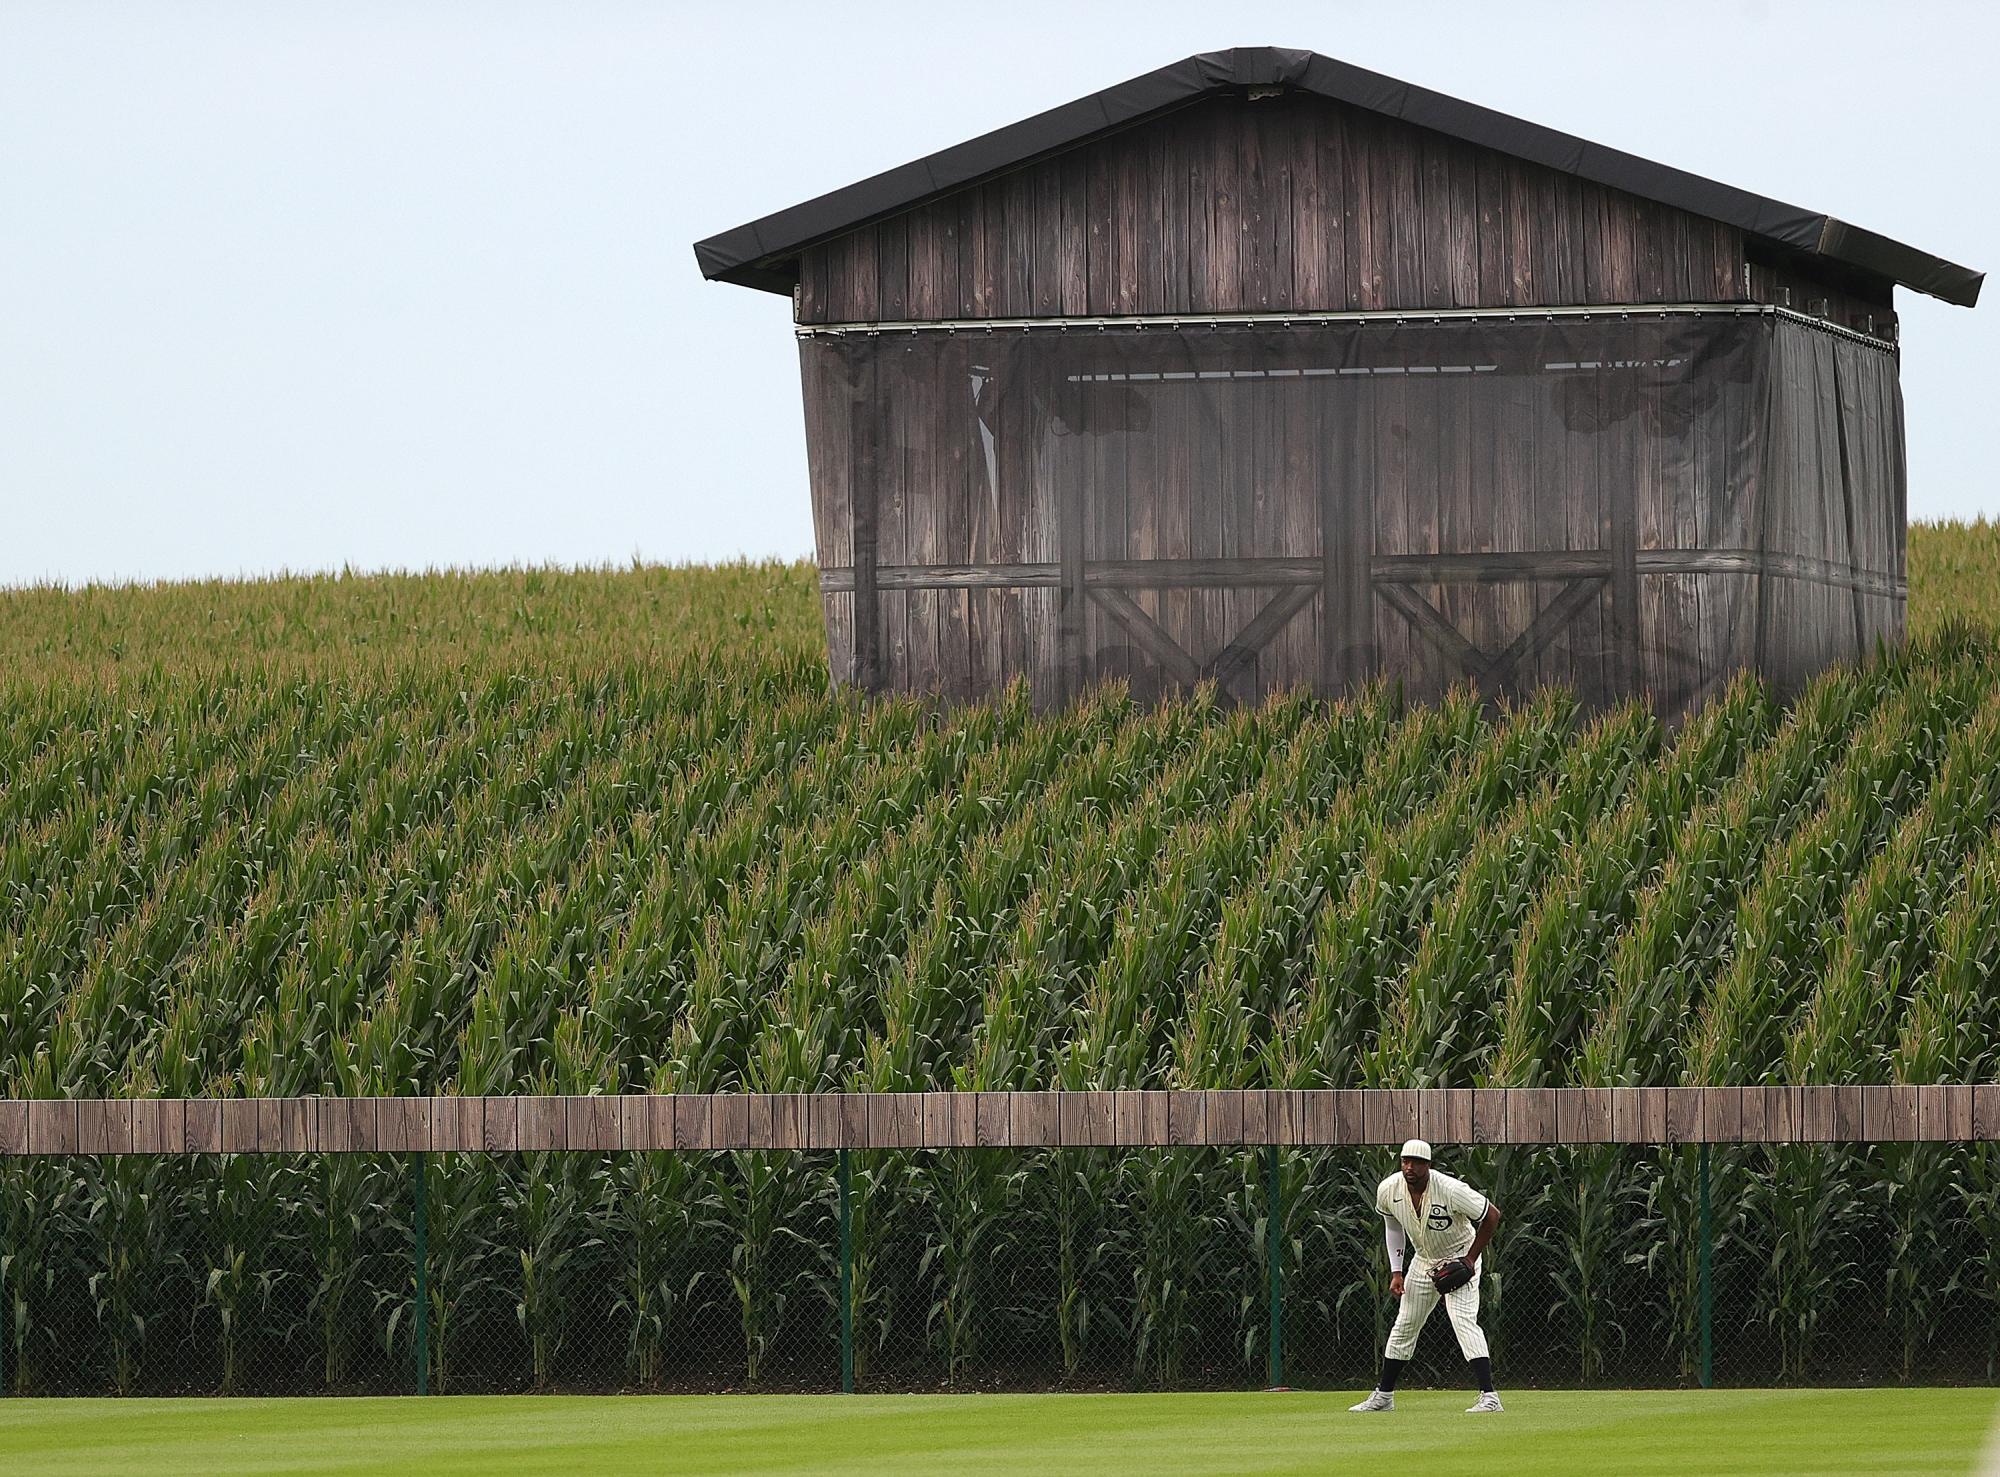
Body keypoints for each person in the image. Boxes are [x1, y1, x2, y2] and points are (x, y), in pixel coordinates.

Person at [1349, 1138, 1504, 1413]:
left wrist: (1470, 1259)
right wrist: (1396, 1271)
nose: (1410, 1167)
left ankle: (1490, 1397)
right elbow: (1393, 1227)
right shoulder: (1389, 1189)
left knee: (1463, 1321)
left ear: (1428, 1165)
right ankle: (1384, 1396)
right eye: (1405, 1161)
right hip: (1423, 1262)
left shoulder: (1451, 1190)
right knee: (1405, 1325)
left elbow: (1491, 1215)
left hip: (1459, 1256)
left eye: (1417, 1162)